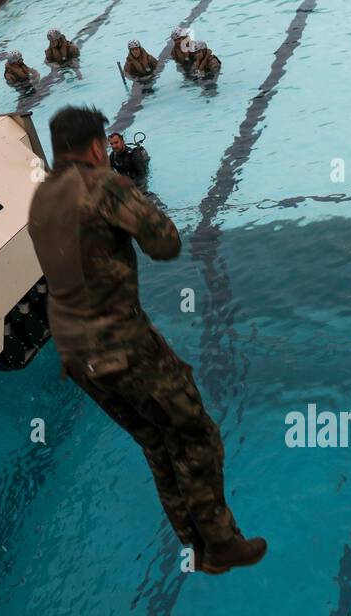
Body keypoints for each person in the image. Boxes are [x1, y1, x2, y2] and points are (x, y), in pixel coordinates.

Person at [27, 106, 266, 574]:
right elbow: (165, 243)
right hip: (123, 346)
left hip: (76, 356)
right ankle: (222, 543)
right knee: (197, 433)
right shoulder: (102, 185)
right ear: (97, 147)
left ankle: (195, 547)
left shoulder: (41, 198)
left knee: (156, 442)